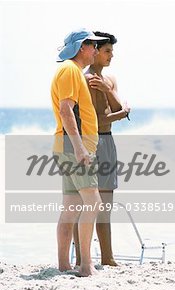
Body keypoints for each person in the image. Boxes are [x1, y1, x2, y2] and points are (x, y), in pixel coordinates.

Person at [51, 28, 108, 276]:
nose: (96, 49)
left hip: (68, 146)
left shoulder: (72, 71)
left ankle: (65, 265)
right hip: (74, 147)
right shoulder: (70, 70)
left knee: (71, 208)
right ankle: (86, 265)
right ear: (81, 47)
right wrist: (80, 148)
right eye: (93, 45)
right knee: (93, 203)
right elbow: (66, 111)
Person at [72, 31, 131, 267]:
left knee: (105, 204)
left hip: (108, 142)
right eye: (107, 51)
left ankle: (108, 257)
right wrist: (123, 113)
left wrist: (109, 90)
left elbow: (116, 108)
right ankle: (79, 258)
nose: (110, 56)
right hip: (90, 142)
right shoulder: (84, 79)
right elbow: (94, 120)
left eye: (112, 52)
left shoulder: (109, 79)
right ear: (94, 52)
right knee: (85, 204)